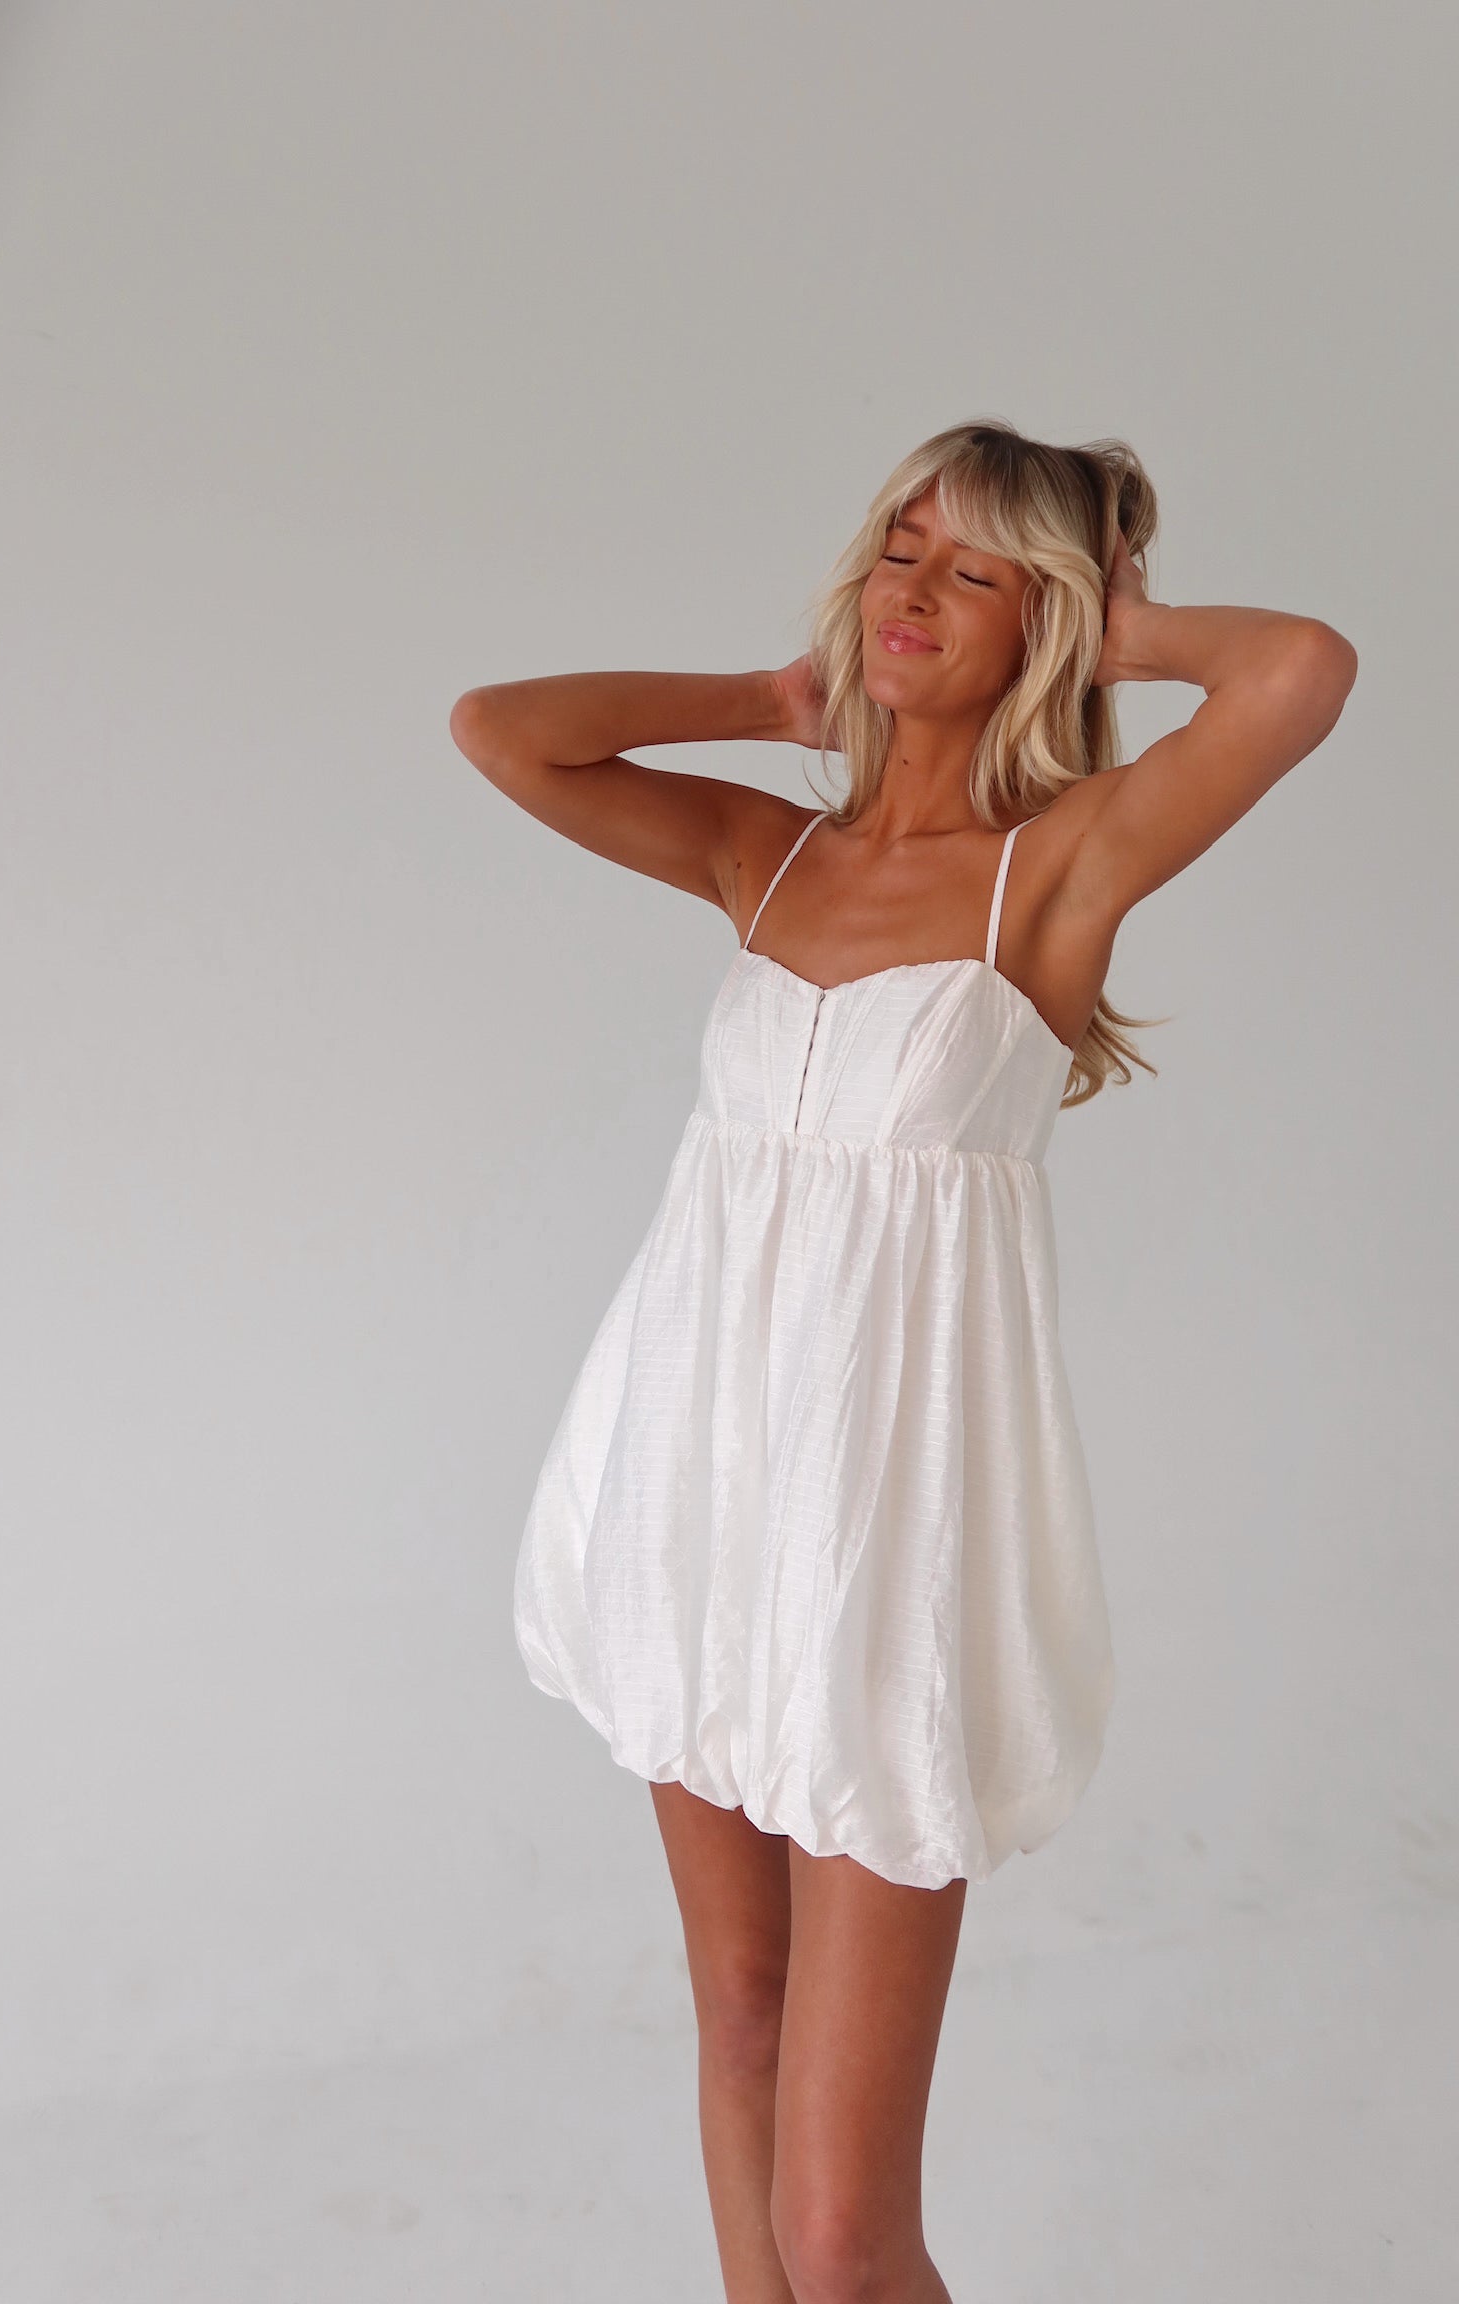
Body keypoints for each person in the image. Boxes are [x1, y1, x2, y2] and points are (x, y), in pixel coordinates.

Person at [448, 420, 1357, 2304]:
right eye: (899, 548)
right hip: (695, 1494)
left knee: (847, 2237)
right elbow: (501, 731)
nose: (914, 594)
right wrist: (772, 701)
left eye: (975, 570)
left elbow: (1299, 673)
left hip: (884, 1552)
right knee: (741, 2022)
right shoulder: (765, 854)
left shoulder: (1060, 872)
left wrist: (1117, 630)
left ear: (1050, 620)